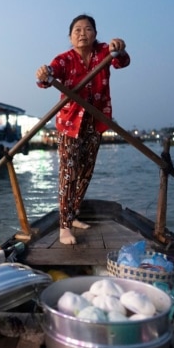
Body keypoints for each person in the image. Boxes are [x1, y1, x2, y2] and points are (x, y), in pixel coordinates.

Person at [35, 14, 130, 245]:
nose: (82, 33)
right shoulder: (64, 59)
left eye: (87, 29)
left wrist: (120, 46)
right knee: (68, 173)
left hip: (95, 120)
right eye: (77, 30)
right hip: (70, 124)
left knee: (86, 171)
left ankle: (73, 214)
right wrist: (43, 75)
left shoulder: (104, 52)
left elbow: (122, 61)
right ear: (70, 36)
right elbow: (48, 76)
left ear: (95, 34)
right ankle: (64, 226)